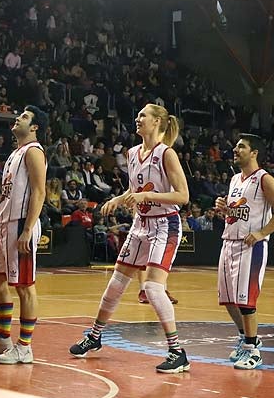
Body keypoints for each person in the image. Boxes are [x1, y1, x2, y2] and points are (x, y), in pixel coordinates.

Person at [69, 104, 191, 374]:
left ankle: (177, 352)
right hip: (140, 224)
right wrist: (119, 198)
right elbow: (135, 189)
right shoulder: (133, 153)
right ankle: (95, 336)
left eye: (143, 116)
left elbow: (183, 196)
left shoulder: (166, 154)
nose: (137, 119)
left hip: (165, 225)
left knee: (152, 289)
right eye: (137, 115)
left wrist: (145, 197)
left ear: (157, 122)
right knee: (116, 283)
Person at [0, 106, 48, 365]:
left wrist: (28, 229)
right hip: (5, 224)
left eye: (26, 117)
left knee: (25, 287)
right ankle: (3, 339)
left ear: (35, 127)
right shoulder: (14, 154)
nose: (19, 118)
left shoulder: (34, 151)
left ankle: (25, 347)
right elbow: (8, 195)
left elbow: (40, 192)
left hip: (21, 224)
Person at [214, 134, 274, 370]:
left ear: (254, 152)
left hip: (251, 246)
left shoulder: (265, 179)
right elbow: (239, 212)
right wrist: (225, 208)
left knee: (246, 300)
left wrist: (261, 233)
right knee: (228, 300)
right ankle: (246, 338)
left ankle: (253, 351)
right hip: (229, 241)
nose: (235, 150)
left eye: (241, 147)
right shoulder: (235, 179)